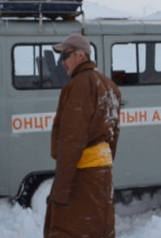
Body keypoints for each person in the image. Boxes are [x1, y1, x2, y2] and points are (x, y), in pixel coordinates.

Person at [44, 33, 122, 238]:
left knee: (69, 229)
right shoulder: (110, 86)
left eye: (65, 56)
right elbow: (113, 134)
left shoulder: (79, 85)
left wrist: (60, 190)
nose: (62, 63)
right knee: (99, 228)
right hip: (101, 174)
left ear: (80, 55)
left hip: (82, 174)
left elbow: (72, 139)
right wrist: (105, 165)